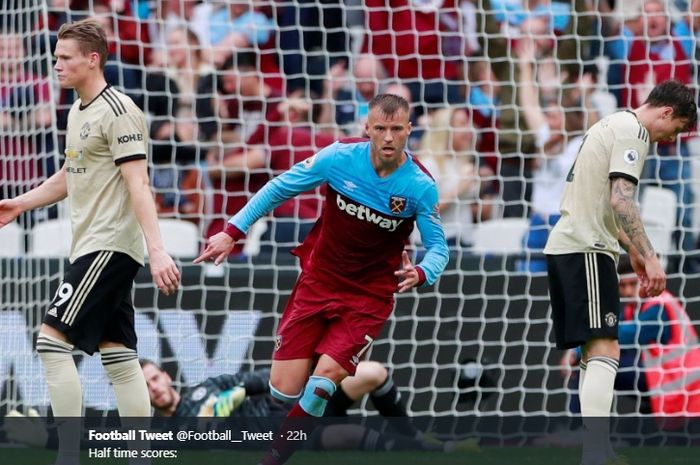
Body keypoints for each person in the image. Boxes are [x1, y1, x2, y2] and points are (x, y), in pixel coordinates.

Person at [194, 93, 449, 465]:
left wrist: (423, 271)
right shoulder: (339, 157)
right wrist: (234, 230)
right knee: (285, 389)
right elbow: (280, 187)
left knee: (322, 382)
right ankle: (305, 414)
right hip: (318, 282)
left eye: (397, 129)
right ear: (367, 128)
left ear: (410, 129)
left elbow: (440, 247)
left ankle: (273, 459)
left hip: (368, 297)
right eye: (381, 128)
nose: (389, 137)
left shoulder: (419, 185)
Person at [0, 19, 181, 465]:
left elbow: (139, 184)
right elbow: (71, 174)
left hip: (110, 246)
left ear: (92, 59)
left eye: (65, 57)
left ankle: (67, 456)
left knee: (50, 342)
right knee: (118, 356)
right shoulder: (77, 110)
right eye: (56, 56)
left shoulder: (120, 110)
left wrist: (157, 250)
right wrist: (19, 204)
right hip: (92, 246)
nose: (56, 63)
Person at [544, 79, 697, 465]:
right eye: (675, 130)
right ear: (666, 112)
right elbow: (621, 199)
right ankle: (595, 453)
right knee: (605, 347)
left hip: (572, 247)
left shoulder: (612, 124)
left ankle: (599, 449)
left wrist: (634, 254)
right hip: (587, 249)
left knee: (594, 351)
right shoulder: (634, 132)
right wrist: (652, 255)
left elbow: (606, 205)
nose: (668, 139)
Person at [140, 359, 469, 452]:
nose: (153, 388)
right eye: (144, 387)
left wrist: (237, 393)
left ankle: (416, 436)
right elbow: (205, 433)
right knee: (352, 435)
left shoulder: (207, 386)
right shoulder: (172, 434)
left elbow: (256, 380)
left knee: (372, 372)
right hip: (281, 437)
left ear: (166, 376)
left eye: (154, 378)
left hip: (294, 404)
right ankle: (432, 452)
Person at [561, 254, 700, 421]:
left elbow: (623, 334)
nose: (627, 291)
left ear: (646, 280)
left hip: (680, 383)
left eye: (633, 284)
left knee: (592, 365)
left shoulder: (659, 307)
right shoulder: (632, 311)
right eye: (622, 285)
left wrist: (578, 349)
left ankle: (580, 432)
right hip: (663, 379)